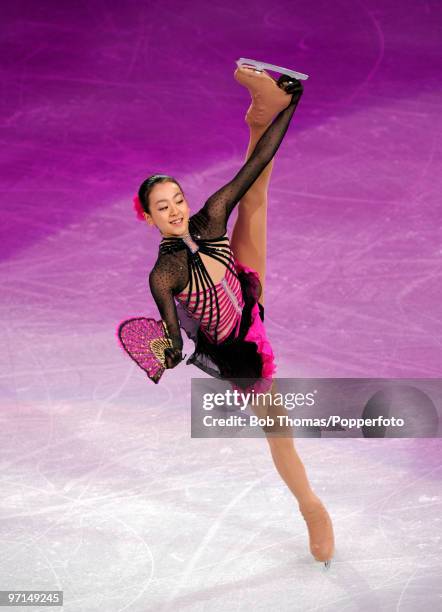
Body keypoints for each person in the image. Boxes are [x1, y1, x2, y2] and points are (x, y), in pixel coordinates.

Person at [133, 62, 335, 567]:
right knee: (278, 427)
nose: (177, 209)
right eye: (164, 207)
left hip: (244, 288)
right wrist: (168, 352)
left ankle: (262, 109)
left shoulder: (208, 219)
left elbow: (255, 166)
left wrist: (293, 106)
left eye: (177, 198)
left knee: (256, 198)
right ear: (149, 217)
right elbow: (176, 341)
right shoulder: (165, 275)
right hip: (236, 347)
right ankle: (312, 507)